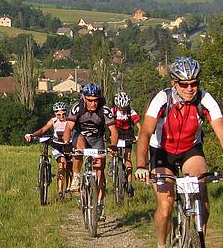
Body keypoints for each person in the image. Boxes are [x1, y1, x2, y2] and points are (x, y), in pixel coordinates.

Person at [134, 56, 223, 248]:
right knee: (166, 202)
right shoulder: (162, 99)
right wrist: (141, 165)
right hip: (161, 150)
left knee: (200, 190)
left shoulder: (205, 100)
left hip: (190, 149)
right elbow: (144, 133)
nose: (190, 89)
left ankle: (200, 246)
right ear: (174, 84)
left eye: (194, 83)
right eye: (184, 84)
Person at [62, 83, 119, 222]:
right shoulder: (77, 108)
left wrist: (113, 145)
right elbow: (68, 128)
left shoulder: (105, 110)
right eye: (90, 100)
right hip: (80, 135)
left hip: (97, 138)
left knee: (100, 171)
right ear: (84, 98)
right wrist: (67, 144)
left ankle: (100, 204)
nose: (93, 103)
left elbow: (113, 131)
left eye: (95, 100)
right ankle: (76, 176)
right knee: (79, 148)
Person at [25, 101, 73, 199]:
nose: (61, 116)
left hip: (69, 145)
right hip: (57, 146)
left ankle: (68, 189)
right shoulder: (53, 121)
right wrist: (32, 135)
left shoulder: (70, 121)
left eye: (63, 114)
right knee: (62, 164)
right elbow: (43, 129)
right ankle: (60, 191)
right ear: (55, 114)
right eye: (58, 114)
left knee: (69, 169)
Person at [111, 92, 141, 197]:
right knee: (113, 150)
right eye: (120, 108)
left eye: (124, 108)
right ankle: (113, 163)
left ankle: (129, 183)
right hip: (116, 134)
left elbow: (138, 124)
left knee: (127, 158)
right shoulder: (113, 111)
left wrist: (141, 135)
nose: (122, 110)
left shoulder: (130, 111)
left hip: (128, 134)